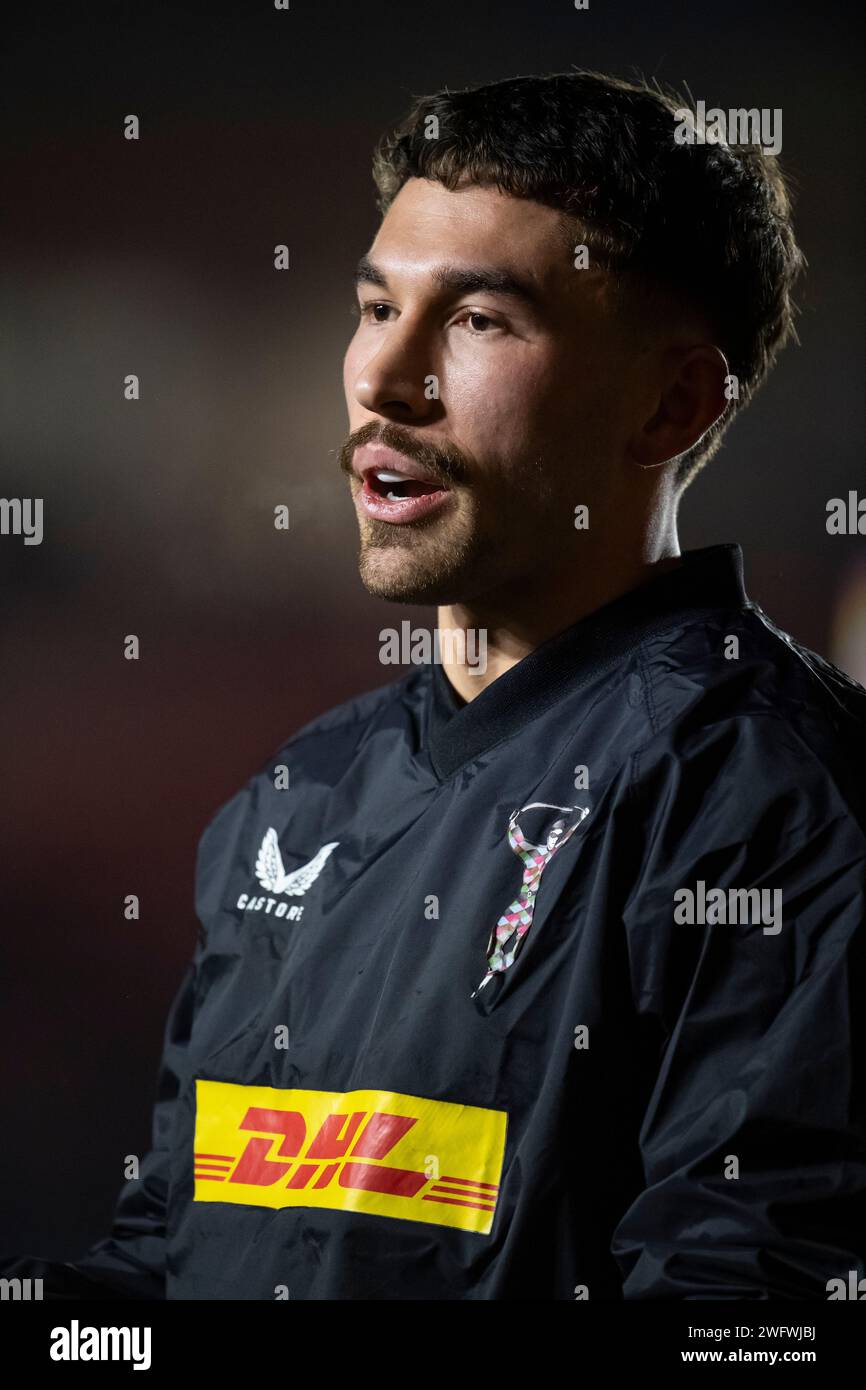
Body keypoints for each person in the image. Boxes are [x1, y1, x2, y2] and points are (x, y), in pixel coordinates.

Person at [3, 69, 864, 1301]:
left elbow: (749, 1311)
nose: (381, 378)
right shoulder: (294, 803)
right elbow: (169, 1267)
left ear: (671, 401)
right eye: (373, 307)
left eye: (477, 321)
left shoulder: (772, 804)